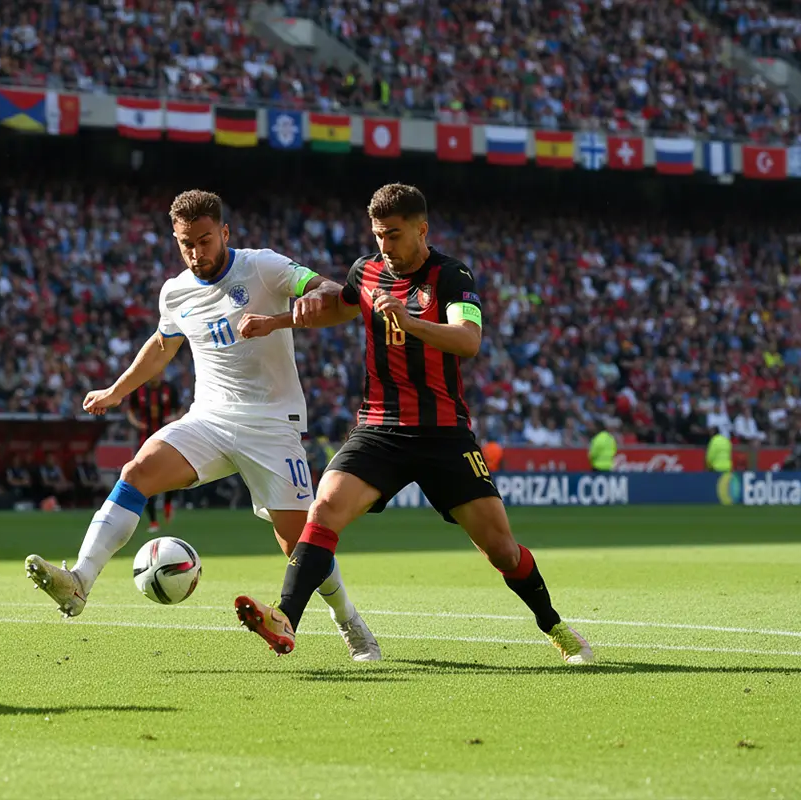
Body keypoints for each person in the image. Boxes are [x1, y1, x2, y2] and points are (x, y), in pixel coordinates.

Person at [232, 184, 592, 665]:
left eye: (395, 234)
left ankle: (554, 626)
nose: (385, 245)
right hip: (379, 427)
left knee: (502, 551)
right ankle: (285, 618)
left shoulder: (451, 276)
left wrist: (410, 321)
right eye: (378, 235)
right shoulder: (366, 271)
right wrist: (275, 322)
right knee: (324, 510)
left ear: (422, 230)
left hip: (444, 433)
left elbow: (469, 340)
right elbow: (341, 307)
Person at [24, 189, 381, 662]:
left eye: (205, 240)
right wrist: (116, 391)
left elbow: (333, 294)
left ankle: (349, 620)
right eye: (186, 243)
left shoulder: (263, 266)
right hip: (209, 419)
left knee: (300, 543)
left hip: (271, 425)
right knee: (136, 472)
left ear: (224, 232)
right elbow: (161, 346)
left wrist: (302, 304)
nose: (196, 252)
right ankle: (79, 581)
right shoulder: (175, 292)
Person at [127, 375, 179, 532]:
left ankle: (168, 502)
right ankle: (153, 521)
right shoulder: (139, 390)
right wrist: (137, 423)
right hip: (146, 441)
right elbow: (130, 411)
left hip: (167, 439)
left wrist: (174, 417)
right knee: (146, 479)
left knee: (172, 474)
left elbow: (180, 409)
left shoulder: (169, 388)